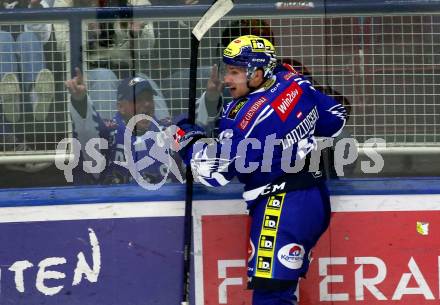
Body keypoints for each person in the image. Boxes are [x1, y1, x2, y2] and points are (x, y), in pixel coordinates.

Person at [175, 35, 347, 305]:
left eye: (234, 72)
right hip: (313, 201)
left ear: (257, 72)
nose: (226, 80)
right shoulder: (295, 82)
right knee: (279, 293)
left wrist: (187, 139)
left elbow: (214, 174)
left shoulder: (241, 116)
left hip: (280, 208)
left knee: (272, 297)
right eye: (226, 70)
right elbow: (336, 120)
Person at [65, 68, 180, 185]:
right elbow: (87, 130)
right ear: (121, 107)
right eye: (138, 100)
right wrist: (80, 101)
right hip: (115, 202)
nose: (146, 104)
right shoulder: (109, 133)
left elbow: (194, 138)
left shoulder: (170, 130)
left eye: (149, 98)